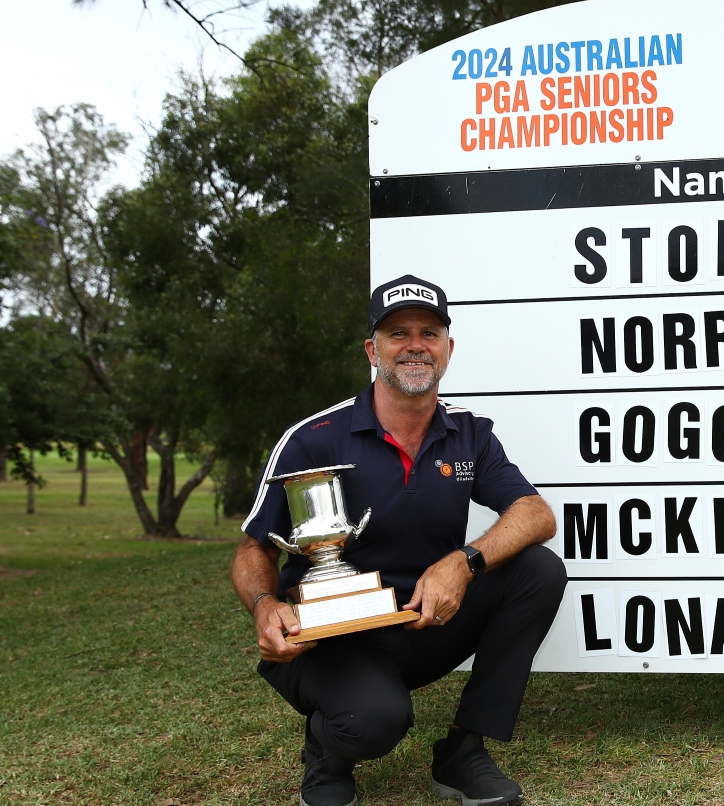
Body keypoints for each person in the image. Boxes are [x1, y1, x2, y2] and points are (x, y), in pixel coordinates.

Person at [232, 274, 565, 806]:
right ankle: (326, 756)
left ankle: (464, 751)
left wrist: (464, 562)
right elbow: (254, 548)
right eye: (397, 333)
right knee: (377, 721)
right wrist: (263, 604)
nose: (415, 345)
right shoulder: (312, 439)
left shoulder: (469, 432)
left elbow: (535, 513)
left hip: (421, 620)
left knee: (538, 572)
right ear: (373, 349)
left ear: (448, 349)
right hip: (331, 638)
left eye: (429, 332)